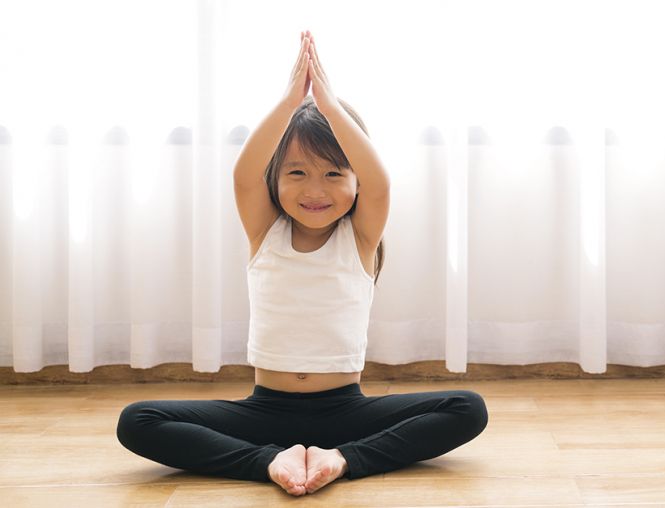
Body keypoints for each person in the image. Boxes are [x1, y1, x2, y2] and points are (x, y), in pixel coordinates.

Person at [116, 30, 488, 497]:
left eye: (334, 174)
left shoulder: (360, 238)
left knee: (468, 408)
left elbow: (380, 184)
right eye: (298, 173)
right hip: (264, 413)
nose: (316, 190)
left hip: (347, 413)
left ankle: (343, 459)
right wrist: (293, 101)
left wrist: (329, 107)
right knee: (138, 421)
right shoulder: (265, 234)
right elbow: (243, 175)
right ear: (276, 178)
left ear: (354, 183)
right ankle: (271, 461)